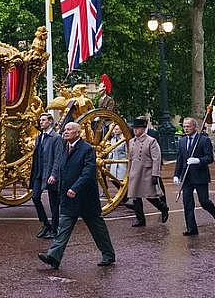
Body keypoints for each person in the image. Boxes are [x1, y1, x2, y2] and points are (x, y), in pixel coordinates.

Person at [38, 122, 116, 270]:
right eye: (65, 129)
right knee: (64, 227)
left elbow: (88, 172)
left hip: (85, 197)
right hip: (68, 196)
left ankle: (108, 254)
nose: (65, 132)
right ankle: (54, 257)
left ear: (78, 133)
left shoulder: (87, 149)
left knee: (97, 228)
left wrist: (75, 188)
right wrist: (54, 175)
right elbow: (59, 164)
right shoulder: (64, 147)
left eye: (69, 129)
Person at [173, 117, 215, 236]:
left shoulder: (204, 140)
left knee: (204, 201)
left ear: (195, 127)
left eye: (188, 126)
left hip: (200, 175)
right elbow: (180, 159)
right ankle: (191, 228)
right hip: (187, 176)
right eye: (184, 126)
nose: (185, 129)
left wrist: (198, 160)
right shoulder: (182, 141)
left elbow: (209, 158)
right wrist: (176, 175)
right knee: (187, 203)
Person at [126, 117, 168, 227]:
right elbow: (130, 158)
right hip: (135, 171)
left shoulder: (151, 141)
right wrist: (128, 173)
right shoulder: (131, 141)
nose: (135, 130)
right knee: (135, 196)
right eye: (134, 128)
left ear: (143, 129)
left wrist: (155, 174)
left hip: (146, 172)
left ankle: (163, 208)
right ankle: (140, 219)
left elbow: (156, 158)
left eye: (138, 128)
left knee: (150, 195)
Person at [30, 113, 64, 239]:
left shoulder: (56, 137)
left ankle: (55, 229)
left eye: (43, 120)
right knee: (35, 197)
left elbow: (58, 158)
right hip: (39, 173)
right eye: (40, 120)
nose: (41, 122)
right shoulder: (40, 137)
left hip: (50, 174)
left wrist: (54, 174)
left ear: (50, 122)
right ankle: (45, 224)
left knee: (54, 203)